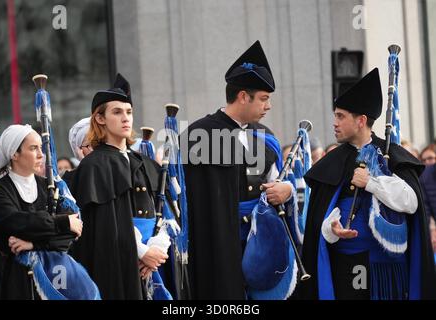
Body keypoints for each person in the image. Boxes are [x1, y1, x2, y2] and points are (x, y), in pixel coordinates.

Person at [301, 68, 436, 300]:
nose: (334, 123)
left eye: (341, 116)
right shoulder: (331, 163)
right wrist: (331, 229)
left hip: (388, 270)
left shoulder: (394, 155)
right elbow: (320, 222)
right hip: (346, 267)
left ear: (361, 120)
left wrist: (371, 183)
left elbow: (411, 202)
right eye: (335, 115)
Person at [183, 41, 293, 299]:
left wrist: (285, 189)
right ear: (243, 96)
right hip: (218, 245)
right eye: (264, 99)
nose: (268, 106)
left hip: (261, 241)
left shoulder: (265, 136)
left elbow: (277, 179)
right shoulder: (199, 136)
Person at [68, 74, 169, 300]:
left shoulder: (145, 163)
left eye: (129, 112)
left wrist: (157, 250)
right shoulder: (94, 165)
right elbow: (107, 224)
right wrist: (142, 252)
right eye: (117, 112)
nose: (126, 118)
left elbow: (165, 213)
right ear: (100, 118)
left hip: (154, 263)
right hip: (117, 264)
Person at [0, 124, 83, 299]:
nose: (41, 154)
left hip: (52, 276)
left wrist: (33, 245)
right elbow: (15, 223)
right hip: (13, 279)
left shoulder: (49, 186)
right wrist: (61, 222)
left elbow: (70, 236)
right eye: (33, 148)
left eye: (41, 148)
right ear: (14, 154)